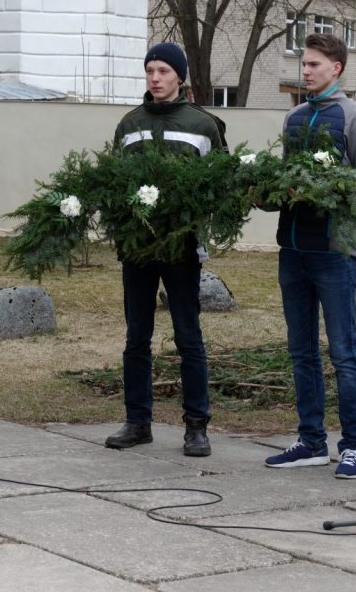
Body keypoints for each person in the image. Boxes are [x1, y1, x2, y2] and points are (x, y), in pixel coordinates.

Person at [264, 33, 356, 479]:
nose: (305, 71)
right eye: (304, 64)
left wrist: (322, 191)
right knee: (301, 351)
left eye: (314, 64)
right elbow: (284, 182)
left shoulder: (354, 118)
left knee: (344, 353)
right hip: (292, 250)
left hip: (333, 252)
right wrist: (266, 192)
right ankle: (311, 441)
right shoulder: (294, 117)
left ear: (337, 68)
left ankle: (355, 447)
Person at [104, 42, 226, 457]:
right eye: (150, 71)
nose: (155, 78)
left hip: (182, 248)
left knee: (188, 337)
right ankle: (137, 421)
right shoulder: (129, 124)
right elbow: (114, 185)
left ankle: (196, 426)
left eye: (163, 71)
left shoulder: (203, 125)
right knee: (136, 337)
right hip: (137, 251)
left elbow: (219, 185)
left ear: (180, 77)